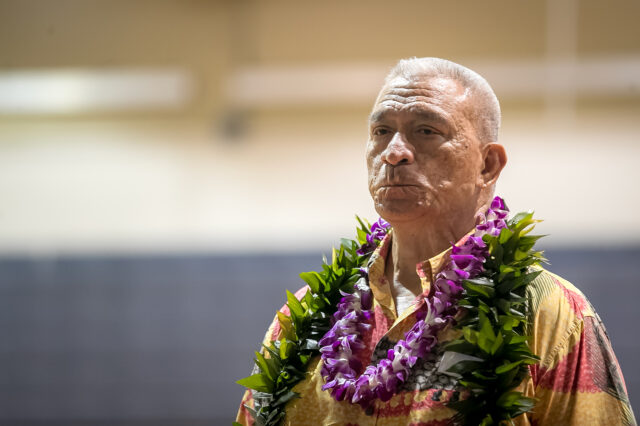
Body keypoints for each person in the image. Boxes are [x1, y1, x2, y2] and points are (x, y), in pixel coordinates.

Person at [235, 57, 636, 425]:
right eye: (381, 131)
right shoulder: (305, 316)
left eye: (425, 131)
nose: (393, 152)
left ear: (487, 164)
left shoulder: (549, 313)